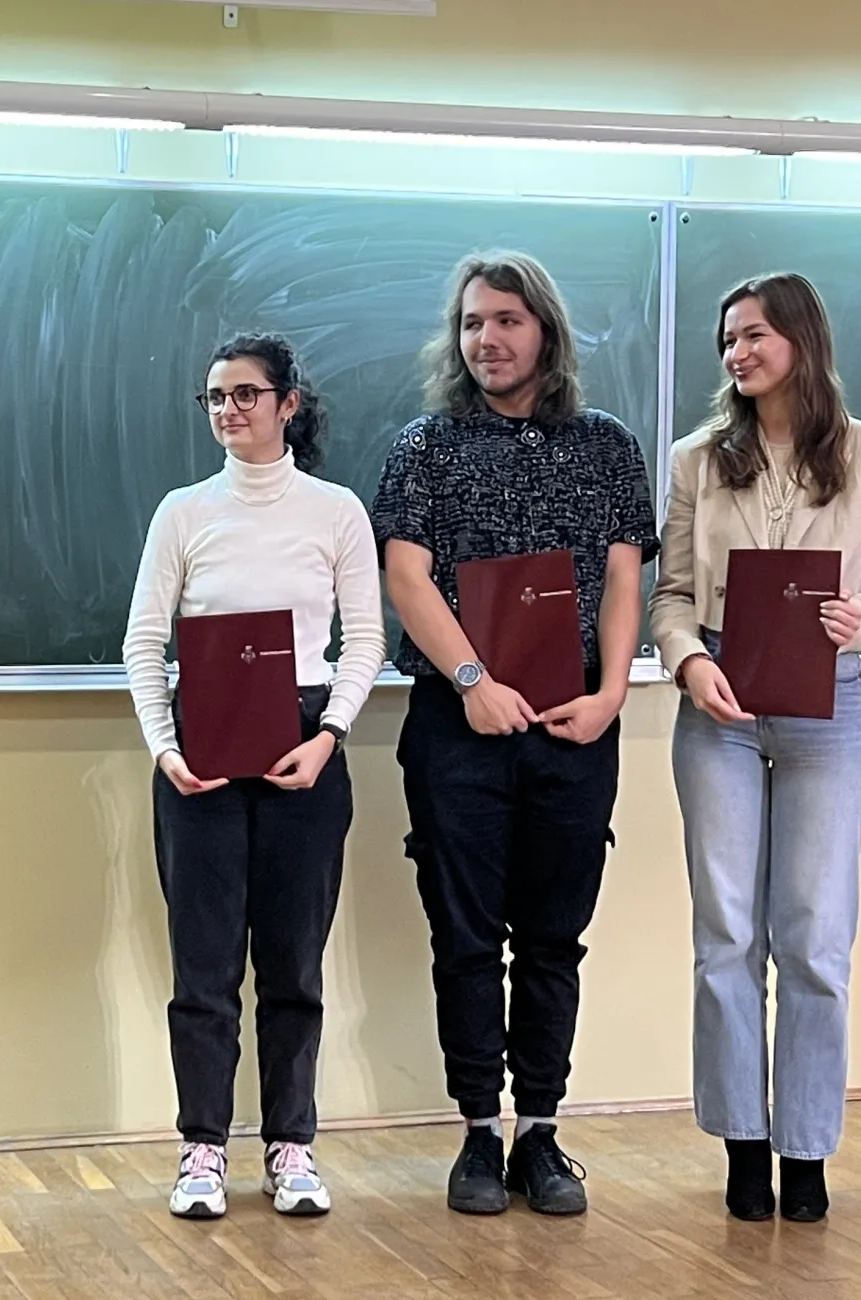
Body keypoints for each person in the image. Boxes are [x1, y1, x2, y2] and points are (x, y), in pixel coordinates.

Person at [371, 251, 658, 1217]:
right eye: (470, 323)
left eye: (505, 320)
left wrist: (612, 692)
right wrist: (472, 682)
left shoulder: (606, 445)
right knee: (464, 939)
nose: (485, 339)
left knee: (551, 940)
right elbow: (406, 576)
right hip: (459, 729)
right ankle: (475, 1135)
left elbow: (623, 576)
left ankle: (539, 1131)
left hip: (575, 726)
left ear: (544, 331)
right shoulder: (425, 446)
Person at [650, 273, 861, 1223]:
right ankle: (740, 1140)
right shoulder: (695, 460)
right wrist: (688, 662)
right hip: (719, 706)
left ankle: (804, 1147)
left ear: (802, 340)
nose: (737, 352)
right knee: (725, 934)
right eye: (727, 339)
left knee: (814, 937)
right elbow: (670, 595)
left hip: (826, 705)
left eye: (754, 334)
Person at [123, 333, 385, 1219]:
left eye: (245, 394)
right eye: (214, 397)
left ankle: (290, 1146)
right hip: (200, 744)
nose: (228, 410)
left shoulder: (336, 511)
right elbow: (143, 640)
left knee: (292, 963)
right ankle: (201, 1148)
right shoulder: (182, 512)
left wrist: (330, 735)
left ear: (288, 403)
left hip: (303, 742)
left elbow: (365, 640)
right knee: (202, 966)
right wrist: (165, 747)